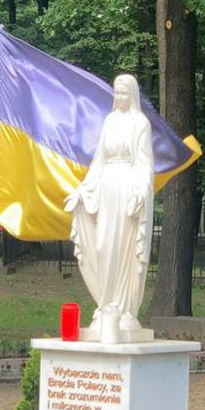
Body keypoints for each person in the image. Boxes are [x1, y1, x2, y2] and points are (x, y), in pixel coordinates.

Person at [64, 74, 154, 341]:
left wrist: (141, 190)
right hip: (105, 189)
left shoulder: (140, 123)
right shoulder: (110, 121)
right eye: (116, 92)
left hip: (127, 189)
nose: (119, 97)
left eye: (124, 93)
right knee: (103, 246)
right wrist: (83, 190)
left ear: (132, 95)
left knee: (122, 248)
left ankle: (124, 309)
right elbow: (98, 162)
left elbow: (145, 163)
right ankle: (106, 305)